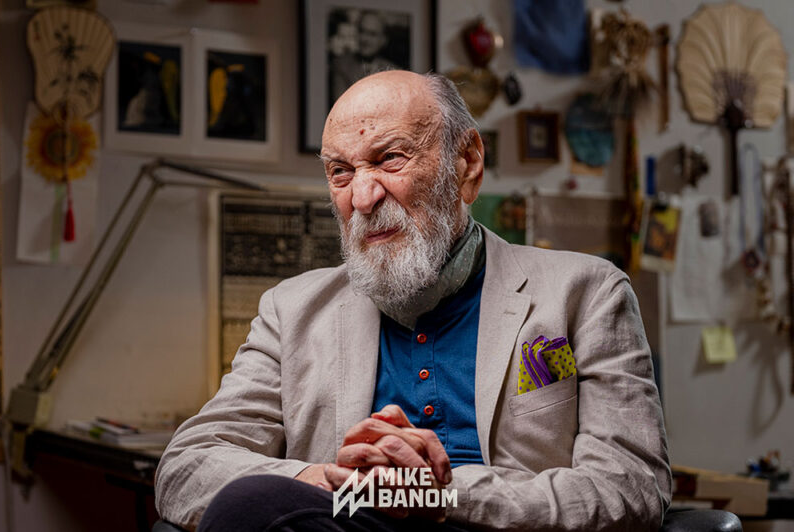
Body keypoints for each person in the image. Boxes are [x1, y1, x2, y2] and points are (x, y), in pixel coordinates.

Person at [155, 70, 671, 531]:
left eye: (389, 159)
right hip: (347, 524)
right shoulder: (291, 311)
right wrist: (327, 480)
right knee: (252, 503)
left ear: (466, 163)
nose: (362, 196)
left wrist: (441, 496)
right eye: (340, 171)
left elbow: (631, 486)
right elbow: (188, 466)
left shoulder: (585, 293)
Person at [329, 10, 402, 105]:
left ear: (383, 40)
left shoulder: (394, 72)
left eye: (372, 34)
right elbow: (341, 106)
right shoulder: (341, 65)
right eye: (362, 31)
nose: (365, 39)